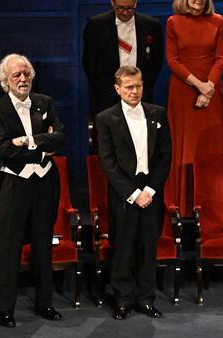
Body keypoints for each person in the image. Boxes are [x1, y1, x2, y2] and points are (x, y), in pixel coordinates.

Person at [0, 54, 66, 328]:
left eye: (26, 74)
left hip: (44, 183)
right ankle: (5, 308)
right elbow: (5, 150)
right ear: (5, 81)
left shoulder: (44, 103)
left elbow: (60, 136)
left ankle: (45, 303)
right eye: (17, 75)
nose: (23, 79)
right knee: (8, 248)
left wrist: (28, 141)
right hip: (14, 186)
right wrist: (42, 143)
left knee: (43, 244)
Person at [95, 65, 173, 320]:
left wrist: (150, 190)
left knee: (148, 247)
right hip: (123, 194)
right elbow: (107, 162)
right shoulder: (106, 118)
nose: (135, 91)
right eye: (129, 87)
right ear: (117, 89)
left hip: (151, 192)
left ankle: (145, 299)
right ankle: (122, 299)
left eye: (138, 85)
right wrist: (133, 193)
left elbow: (164, 156)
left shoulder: (157, 114)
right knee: (123, 248)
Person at [165, 0, 223, 216]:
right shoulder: (173, 22)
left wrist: (209, 87)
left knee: (209, 146)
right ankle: (183, 204)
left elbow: (221, 58)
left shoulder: (218, 21)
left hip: (211, 91)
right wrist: (200, 86)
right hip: (183, 92)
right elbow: (172, 61)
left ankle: (213, 207)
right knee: (186, 146)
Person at [82, 0, 164, 127]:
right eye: (120, 8)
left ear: (136, 3)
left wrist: (140, 86)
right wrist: (108, 88)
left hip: (141, 95)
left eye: (130, 8)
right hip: (106, 95)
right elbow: (89, 63)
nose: (125, 13)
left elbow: (156, 62)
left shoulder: (152, 25)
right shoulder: (96, 25)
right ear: (112, 3)